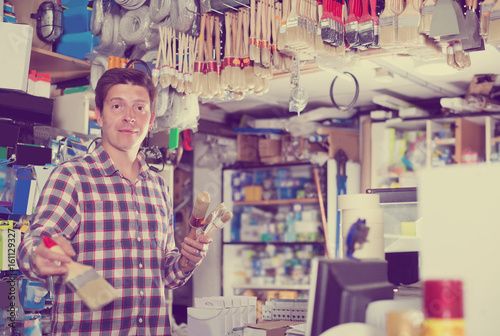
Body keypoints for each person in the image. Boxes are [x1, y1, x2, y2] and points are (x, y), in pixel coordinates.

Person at [17, 68, 212, 335]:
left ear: (151, 119)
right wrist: (41, 251)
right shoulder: (73, 177)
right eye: (117, 105)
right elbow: (38, 239)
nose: (129, 116)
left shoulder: (158, 188)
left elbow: (164, 275)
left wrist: (186, 263)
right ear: (99, 115)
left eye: (139, 107)